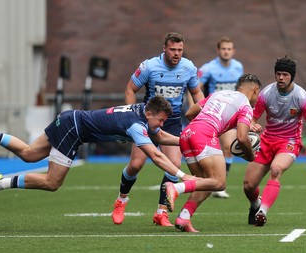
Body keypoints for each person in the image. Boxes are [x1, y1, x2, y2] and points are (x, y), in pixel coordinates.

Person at [0, 96, 197, 200]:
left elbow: (162, 136)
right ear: (150, 113)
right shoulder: (136, 125)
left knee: (29, 154)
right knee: (52, 182)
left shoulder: (144, 112)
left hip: (69, 118)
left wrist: (187, 140)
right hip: (74, 130)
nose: (162, 124)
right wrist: (183, 177)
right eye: (161, 119)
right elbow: (154, 154)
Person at [111, 32, 204, 226]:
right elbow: (130, 90)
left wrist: (204, 116)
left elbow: (196, 93)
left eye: (180, 50)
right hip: (147, 120)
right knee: (136, 164)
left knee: (174, 164)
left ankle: (161, 212)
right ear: (164, 48)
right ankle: (121, 200)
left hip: (172, 122)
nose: (176, 53)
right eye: (172, 49)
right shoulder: (149, 66)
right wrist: (129, 118)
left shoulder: (188, 68)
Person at [163, 73, 262, 232]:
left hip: (187, 133)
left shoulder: (217, 94)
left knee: (204, 183)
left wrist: (199, 129)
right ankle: (175, 188)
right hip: (204, 134)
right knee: (219, 183)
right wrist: (251, 156)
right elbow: (242, 138)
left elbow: (189, 114)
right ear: (256, 90)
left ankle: (184, 218)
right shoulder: (245, 105)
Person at [244, 56, 306, 226]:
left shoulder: (302, 98)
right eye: (278, 74)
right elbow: (252, 118)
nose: (281, 77)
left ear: (291, 77)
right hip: (267, 141)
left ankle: (262, 212)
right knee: (248, 186)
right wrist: (252, 124)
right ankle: (255, 204)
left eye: (285, 75)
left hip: (289, 142)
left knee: (276, 169)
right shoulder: (266, 94)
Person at [198, 36, 244, 198]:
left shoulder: (238, 67)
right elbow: (196, 87)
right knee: (206, 151)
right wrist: (196, 108)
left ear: (233, 51)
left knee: (229, 147)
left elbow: (241, 90)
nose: (226, 51)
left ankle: (220, 185)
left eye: (229, 49)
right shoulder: (208, 68)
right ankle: (204, 182)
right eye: (223, 48)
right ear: (218, 51)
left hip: (229, 114)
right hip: (211, 115)